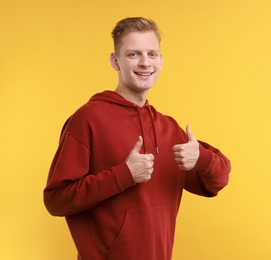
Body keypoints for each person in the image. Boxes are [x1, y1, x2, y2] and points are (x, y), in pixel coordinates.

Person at [44, 17, 231, 260]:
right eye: (133, 54)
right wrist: (124, 175)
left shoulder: (169, 128)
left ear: (161, 61)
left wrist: (202, 159)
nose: (145, 63)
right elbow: (56, 200)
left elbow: (216, 182)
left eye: (152, 54)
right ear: (115, 61)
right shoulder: (88, 119)